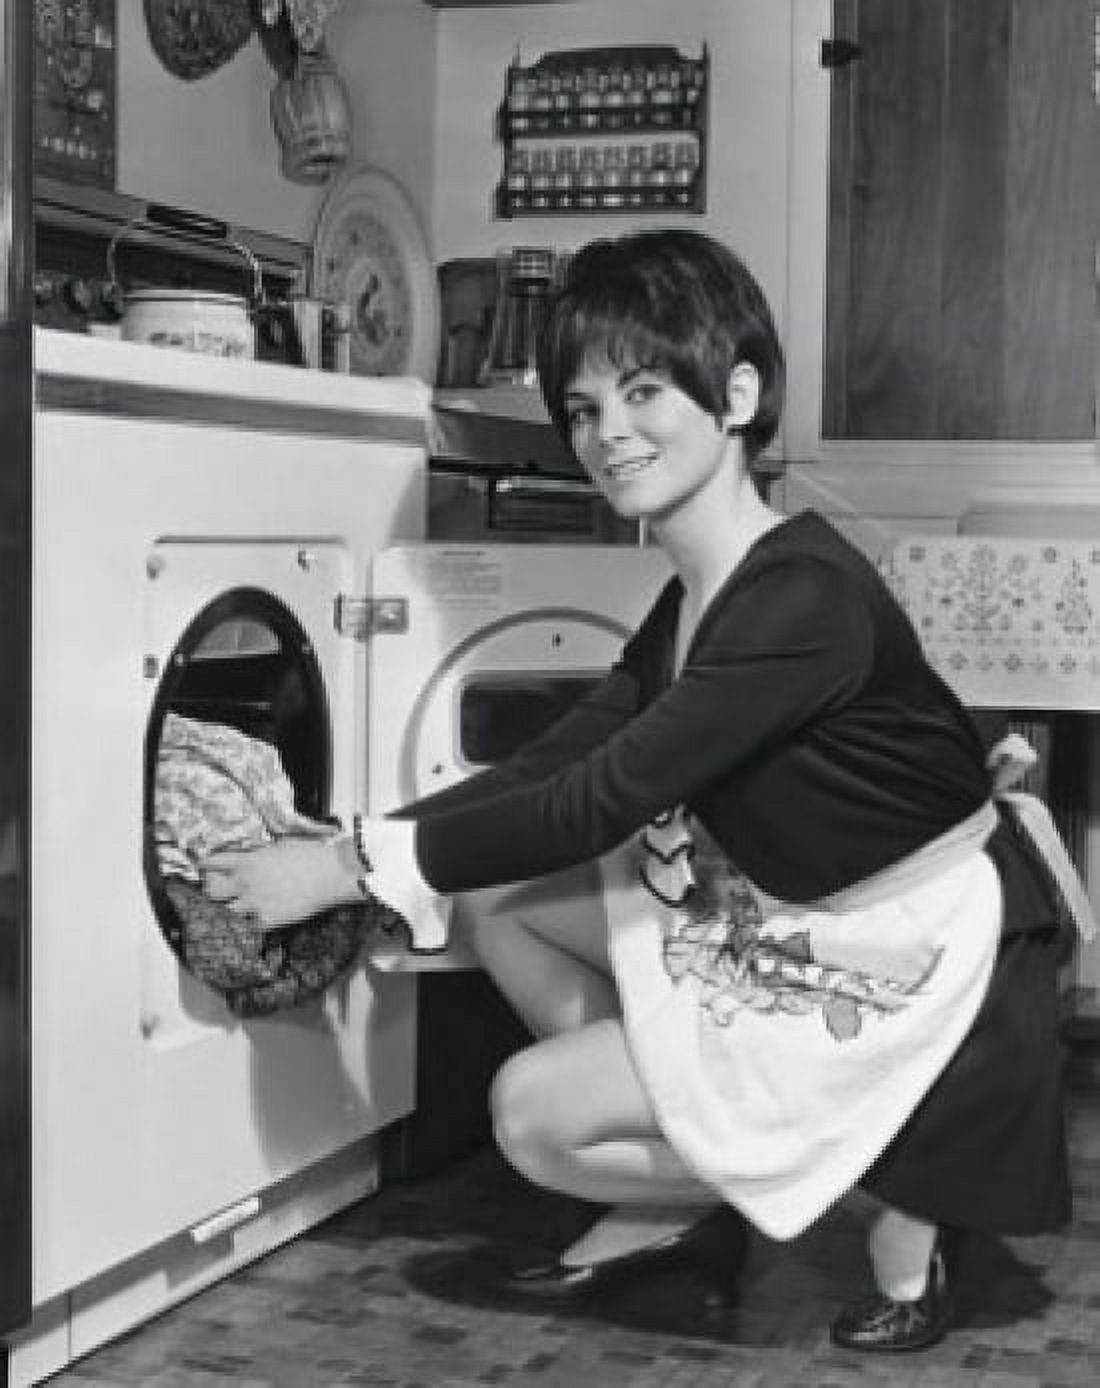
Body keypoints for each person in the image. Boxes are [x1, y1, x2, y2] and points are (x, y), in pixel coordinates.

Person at [202, 228, 1083, 1352]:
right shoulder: (706, 591)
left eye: (643, 389)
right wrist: (362, 840)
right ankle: (687, 1193)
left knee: (525, 1112)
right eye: (579, 406)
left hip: (898, 941)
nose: (605, 431)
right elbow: (555, 758)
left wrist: (335, 868)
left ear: (738, 394)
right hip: (804, 905)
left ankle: (851, 1188)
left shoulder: (797, 597)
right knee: (495, 902)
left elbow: (595, 800)